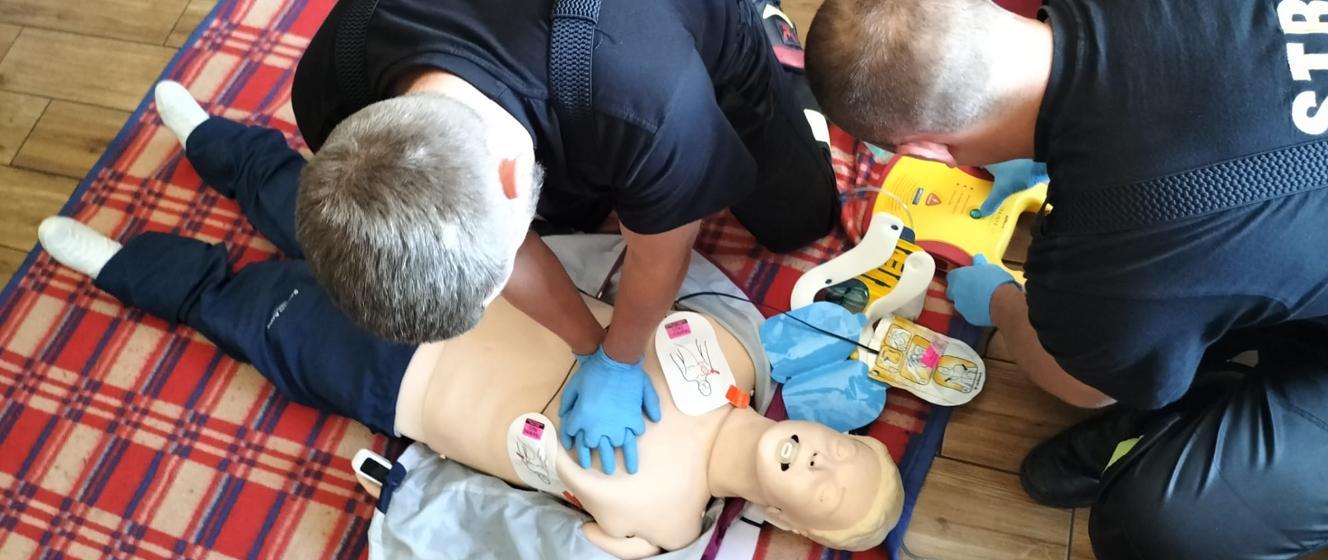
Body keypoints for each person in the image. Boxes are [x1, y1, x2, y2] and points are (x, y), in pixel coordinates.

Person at [32, 100, 901, 556]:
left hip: (401, 382)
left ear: (791, 525)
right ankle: (211, 139)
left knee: (245, 310)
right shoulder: (738, 347)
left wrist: (409, 499)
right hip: (462, 282)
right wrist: (529, 249)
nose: (824, 463)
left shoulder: (664, 529)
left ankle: (117, 265)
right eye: (845, 452)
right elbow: (641, 263)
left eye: (828, 491)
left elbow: (523, 533)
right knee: (310, 203)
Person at [805, 0, 1328, 558]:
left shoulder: (1102, 264)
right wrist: (1046, 156)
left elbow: (1087, 389)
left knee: (1150, 527)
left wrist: (1003, 302)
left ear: (926, 151)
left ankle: (1187, 407)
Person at [287, 0, 840, 475]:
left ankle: (766, 23)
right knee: (578, 219)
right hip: (574, 78)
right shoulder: (328, 92)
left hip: (670, 34)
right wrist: (588, 346)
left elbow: (661, 255)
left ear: (509, 174)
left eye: (498, 275)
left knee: (799, 219)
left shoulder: (648, 99)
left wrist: (621, 359)